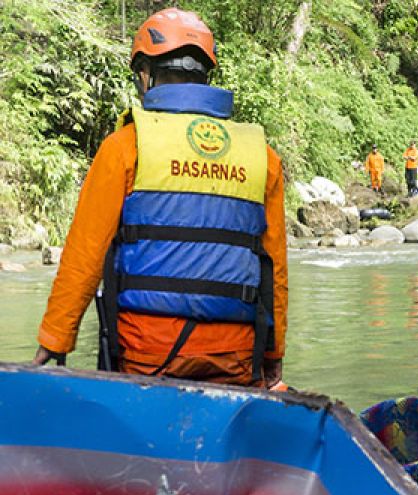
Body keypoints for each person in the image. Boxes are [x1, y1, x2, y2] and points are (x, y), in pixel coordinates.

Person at [32, 7, 287, 388]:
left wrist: (55, 340)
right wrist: (273, 356)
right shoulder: (261, 155)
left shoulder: (125, 147)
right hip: (235, 359)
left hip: (146, 357)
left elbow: (83, 257)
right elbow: (273, 272)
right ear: (204, 75)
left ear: (146, 75)